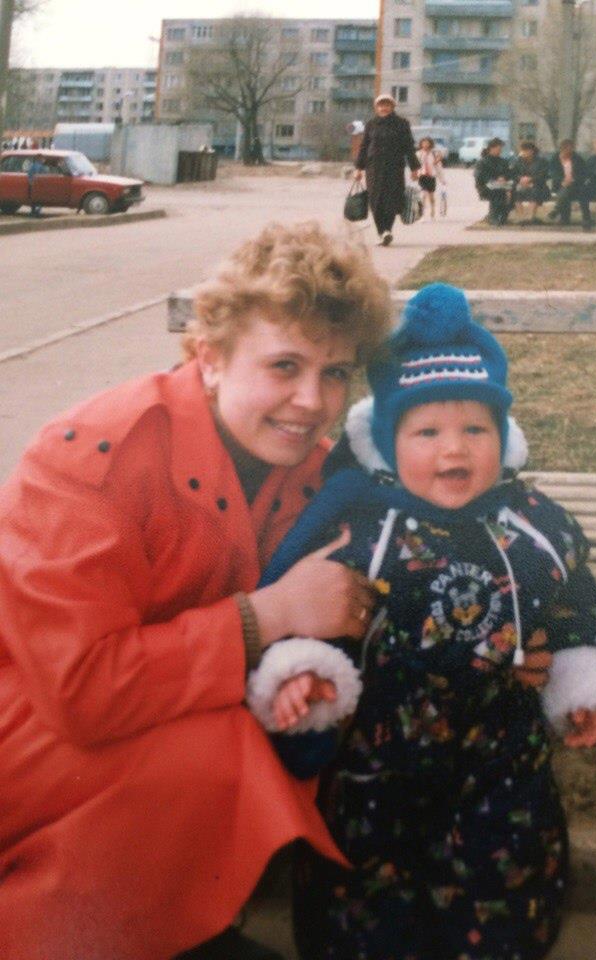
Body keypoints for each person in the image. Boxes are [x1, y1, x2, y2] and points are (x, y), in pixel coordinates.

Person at [0, 221, 392, 960]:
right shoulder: (93, 456)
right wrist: (267, 617)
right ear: (209, 359)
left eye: (336, 372)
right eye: (284, 366)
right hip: (33, 732)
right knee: (221, 743)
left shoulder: (312, 474)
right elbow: (80, 688)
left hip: (140, 745)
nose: (312, 400)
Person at [247, 283, 596, 960]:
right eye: (426, 432)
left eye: (475, 430)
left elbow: (574, 598)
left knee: (502, 906)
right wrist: (304, 672)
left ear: (504, 437)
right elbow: (319, 608)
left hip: (502, 769)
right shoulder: (363, 530)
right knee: (364, 914)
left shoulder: (534, 525)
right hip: (378, 772)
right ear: (387, 442)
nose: (453, 450)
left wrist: (580, 674)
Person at [354, 93, 420, 247]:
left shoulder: (402, 124)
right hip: (374, 168)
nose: (383, 108)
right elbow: (364, 147)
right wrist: (358, 168)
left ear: (392, 107)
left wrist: (414, 167)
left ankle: (387, 231)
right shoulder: (371, 124)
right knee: (375, 201)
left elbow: (409, 146)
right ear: (376, 107)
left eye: (387, 105)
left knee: (391, 201)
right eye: (381, 105)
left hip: (394, 167)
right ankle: (382, 232)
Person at [548, 139, 593, 231]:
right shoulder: (555, 159)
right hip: (560, 185)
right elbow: (552, 173)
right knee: (566, 189)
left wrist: (573, 180)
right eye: (566, 150)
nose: (568, 152)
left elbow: (583, 174)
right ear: (561, 149)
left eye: (570, 149)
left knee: (578, 192)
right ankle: (584, 219)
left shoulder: (578, 159)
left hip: (576, 185)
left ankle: (558, 211)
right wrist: (562, 181)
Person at [510, 140, 551, 225]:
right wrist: (520, 179)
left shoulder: (541, 161)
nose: (522, 153)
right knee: (515, 192)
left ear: (531, 151)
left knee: (535, 191)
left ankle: (531, 217)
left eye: (524, 150)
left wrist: (531, 179)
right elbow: (512, 174)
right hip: (522, 185)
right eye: (522, 150)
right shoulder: (518, 161)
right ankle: (521, 217)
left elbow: (544, 175)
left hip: (538, 186)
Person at [474, 137, 512, 226]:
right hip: (485, 186)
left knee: (513, 189)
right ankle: (493, 216)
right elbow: (480, 176)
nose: (500, 151)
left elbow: (509, 173)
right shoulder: (483, 162)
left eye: (501, 149)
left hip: (502, 184)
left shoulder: (503, 161)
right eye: (498, 149)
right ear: (491, 148)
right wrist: (496, 180)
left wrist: (504, 178)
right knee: (499, 190)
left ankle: (503, 216)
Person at [416, 136, 446, 221]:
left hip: (431, 177)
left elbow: (438, 167)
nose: (425, 144)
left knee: (431, 197)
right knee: (423, 195)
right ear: (421, 144)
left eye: (427, 143)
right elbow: (415, 166)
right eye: (423, 143)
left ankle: (432, 213)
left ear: (430, 144)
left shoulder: (434, 154)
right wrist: (415, 174)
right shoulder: (418, 154)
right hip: (422, 176)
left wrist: (442, 179)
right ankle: (422, 215)